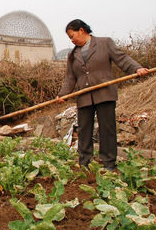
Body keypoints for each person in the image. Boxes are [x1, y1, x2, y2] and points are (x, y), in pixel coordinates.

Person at [56, 19, 149, 170]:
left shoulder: (105, 43)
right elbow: (70, 78)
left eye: (72, 36)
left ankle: (109, 163)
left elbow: (122, 58)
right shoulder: (72, 55)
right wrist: (63, 94)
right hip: (84, 97)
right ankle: (84, 162)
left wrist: (137, 68)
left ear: (82, 30)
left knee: (107, 129)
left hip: (105, 94)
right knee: (84, 130)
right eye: (70, 38)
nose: (72, 40)